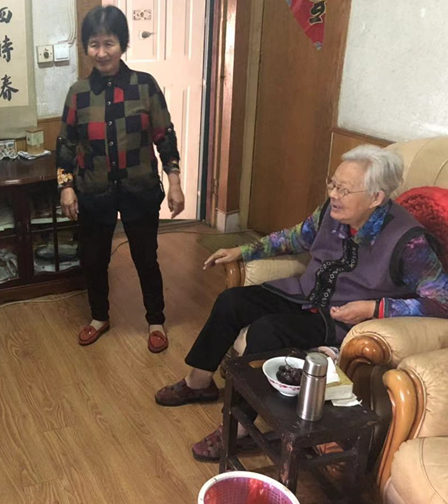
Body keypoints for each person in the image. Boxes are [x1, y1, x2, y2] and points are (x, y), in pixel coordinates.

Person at [155, 144, 448, 461]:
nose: (333, 194)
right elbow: (295, 238)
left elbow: (441, 301)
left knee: (267, 331)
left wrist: (374, 308)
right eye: (332, 184)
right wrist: (242, 251)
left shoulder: (410, 241)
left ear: (376, 197)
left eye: (344, 190)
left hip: (338, 319)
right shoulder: (332, 213)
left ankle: (237, 427)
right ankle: (199, 383)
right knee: (232, 301)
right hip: (303, 294)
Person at [56, 5, 185, 352]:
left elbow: (164, 134)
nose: (101, 52)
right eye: (94, 44)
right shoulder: (78, 92)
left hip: (139, 189)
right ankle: (99, 317)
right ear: (86, 47)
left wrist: (174, 181)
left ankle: (155, 320)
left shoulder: (144, 86)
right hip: (93, 190)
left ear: (122, 44)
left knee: (146, 257)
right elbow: (66, 143)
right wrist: (66, 187)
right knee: (94, 259)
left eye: (109, 43)